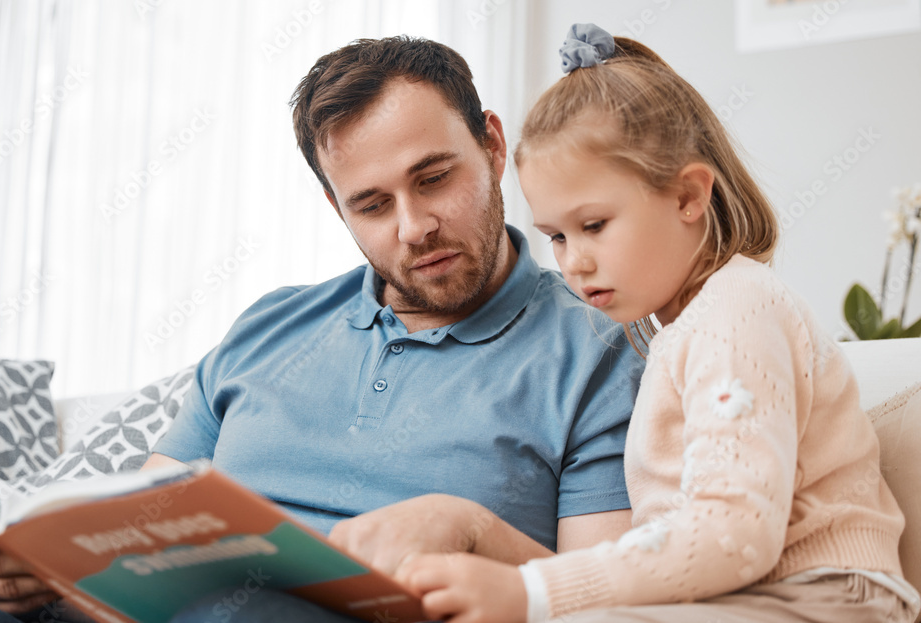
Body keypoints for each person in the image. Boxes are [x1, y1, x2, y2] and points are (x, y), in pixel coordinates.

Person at [0, 35, 645, 622]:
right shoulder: (269, 327)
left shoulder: (593, 351)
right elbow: (129, 564)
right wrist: (37, 573)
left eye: (434, 178)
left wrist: (473, 526)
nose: (415, 226)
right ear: (336, 208)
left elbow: (612, 601)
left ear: (491, 146)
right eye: (371, 203)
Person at [394, 24, 921, 623]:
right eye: (558, 237)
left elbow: (733, 534)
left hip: (827, 598)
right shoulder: (675, 330)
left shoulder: (735, 314)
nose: (575, 261)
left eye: (594, 225)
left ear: (688, 196)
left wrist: (536, 592)